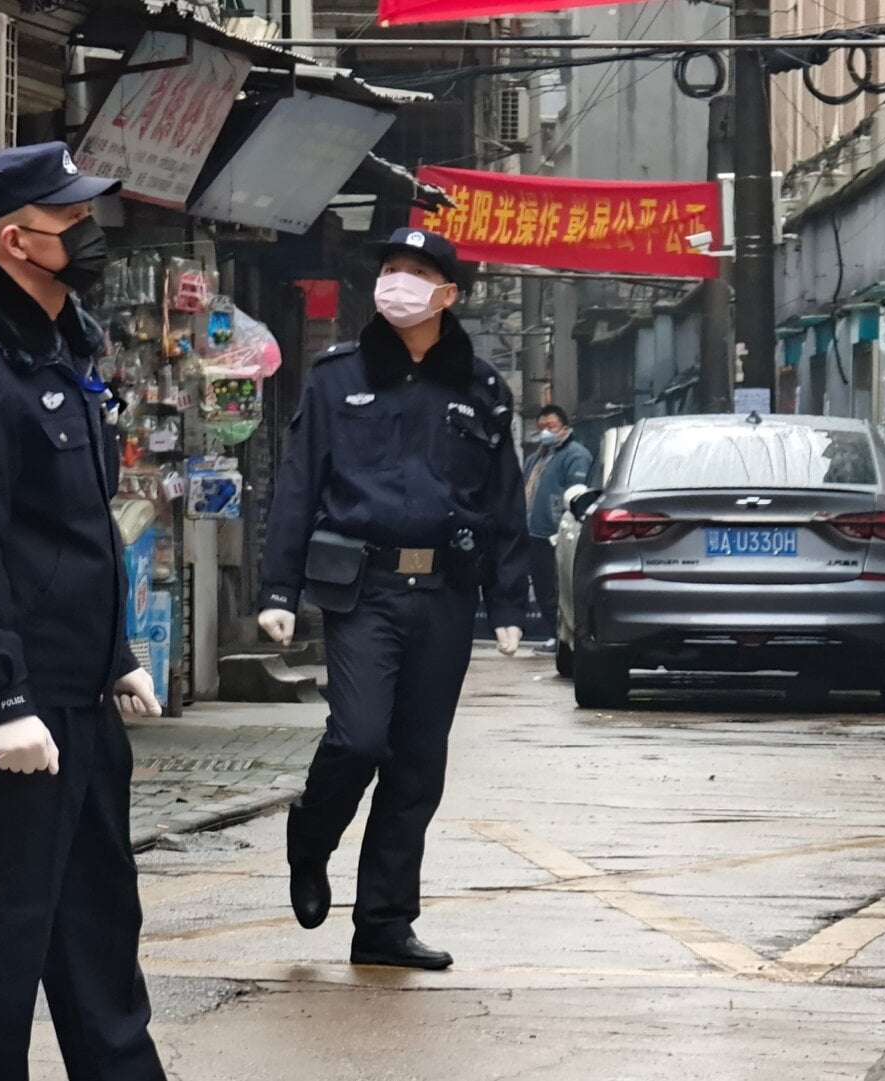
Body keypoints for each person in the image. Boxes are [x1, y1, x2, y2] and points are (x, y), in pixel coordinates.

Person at [0, 142, 169, 1081]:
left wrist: (117, 649)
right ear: (16, 240)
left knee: (100, 931)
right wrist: (3, 698)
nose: (90, 235)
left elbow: (75, 532)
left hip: (79, 699)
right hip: (2, 710)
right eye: (71, 223)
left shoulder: (58, 349)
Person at [257, 227, 528, 970]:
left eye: (416, 272)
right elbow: (297, 484)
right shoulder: (335, 376)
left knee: (416, 762)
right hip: (363, 589)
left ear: (449, 294)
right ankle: (310, 839)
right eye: (390, 269)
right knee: (359, 737)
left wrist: (509, 603)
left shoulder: (482, 388)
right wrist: (278, 587)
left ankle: (383, 922)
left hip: (445, 593)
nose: (396, 283)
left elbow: (505, 502)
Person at [521, 405, 593, 654]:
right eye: (541, 427)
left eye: (550, 427)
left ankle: (565, 637)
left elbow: (578, 493)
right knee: (542, 586)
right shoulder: (535, 458)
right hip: (534, 533)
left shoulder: (576, 455)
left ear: (564, 427)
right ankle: (554, 633)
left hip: (558, 534)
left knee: (559, 587)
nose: (545, 432)